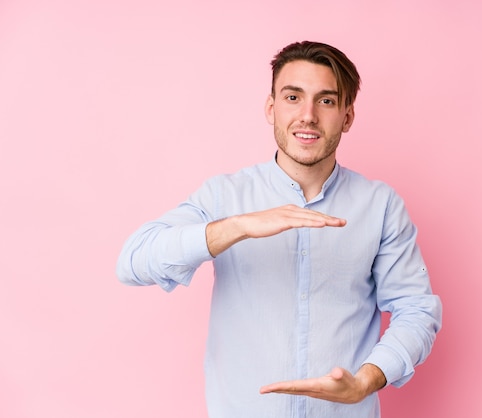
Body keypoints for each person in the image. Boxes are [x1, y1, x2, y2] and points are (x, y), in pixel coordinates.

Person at [116, 40, 442, 418]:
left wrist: (368, 380)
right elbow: (133, 262)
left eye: (326, 101)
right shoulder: (225, 196)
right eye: (292, 97)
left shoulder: (381, 206)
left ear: (347, 116)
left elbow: (416, 309)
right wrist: (238, 226)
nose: (307, 116)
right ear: (271, 108)